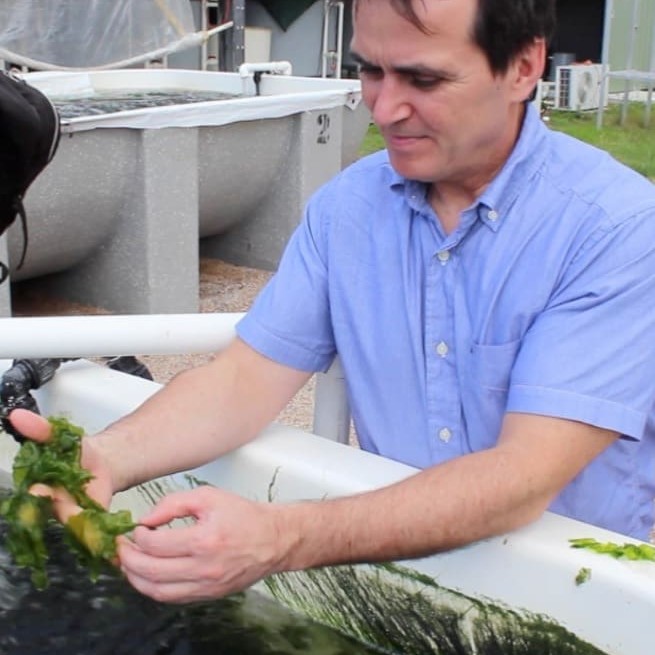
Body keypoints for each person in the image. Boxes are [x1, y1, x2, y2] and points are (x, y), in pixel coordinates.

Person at [10, 0, 655, 604]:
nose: (383, 108)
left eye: (422, 80)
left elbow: (522, 479)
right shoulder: (347, 210)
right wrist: (105, 456)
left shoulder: (617, 231)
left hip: (588, 596)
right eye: (369, 71)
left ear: (523, 67)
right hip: (406, 567)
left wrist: (279, 537)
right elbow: (241, 381)